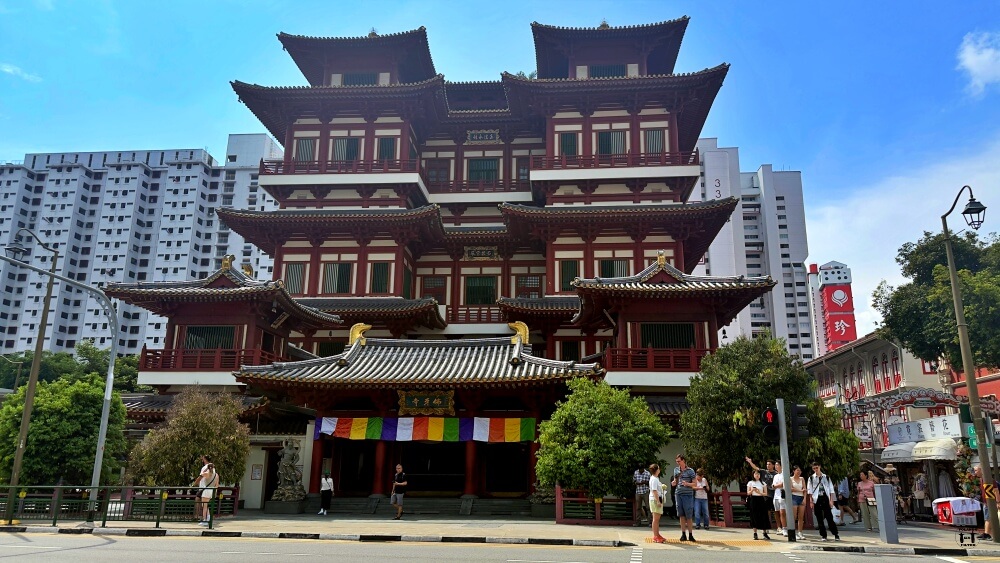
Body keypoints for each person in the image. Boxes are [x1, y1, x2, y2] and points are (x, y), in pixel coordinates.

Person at [807, 462, 840, 541]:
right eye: (814, 468)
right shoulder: (811, 478)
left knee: (829, 517)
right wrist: (811, 501)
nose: (815, 470)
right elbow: (810, 491)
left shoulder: (826, 477)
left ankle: (835, 534)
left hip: (825, 497)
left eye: (817, 468)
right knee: (819, 517)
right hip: (816, 498)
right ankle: (823, 535)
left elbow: (831, 489)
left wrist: (831, 500)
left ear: (820, 467)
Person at [746, 457, 778, 534]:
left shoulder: (776, 474)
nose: (768, 466)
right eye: (767, 464)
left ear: (773, 465)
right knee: (766, 512)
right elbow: (755, 468)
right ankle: (766, 527)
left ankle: (779, 527)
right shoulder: (764, 472)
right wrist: (750, 462)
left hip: (775, 494)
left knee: (776, 511)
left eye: (769, 464)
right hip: (764, 497)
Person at [672, 454, 697, 542]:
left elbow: (695, 484)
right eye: (677, 462)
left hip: (688, 494)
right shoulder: (676, 470)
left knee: (689, 515)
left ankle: (690, 534)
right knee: (681, 514)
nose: (678, 463)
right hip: (678, 493)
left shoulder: (690, 471)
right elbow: (676, 480)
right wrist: (674, 482)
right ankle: (683, 534)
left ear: (683, 460)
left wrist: (687, 484)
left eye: (679, 461)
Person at [747, 469, 771, 540]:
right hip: (753, 499)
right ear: (753, 475)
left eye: (758, 474)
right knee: (754, 515)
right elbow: (748, 493)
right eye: (756, 474)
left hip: (761, 499)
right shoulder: (750, 483)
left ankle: (764, 532)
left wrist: (759, 492)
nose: (757, 475)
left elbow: (766, 493)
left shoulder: (763, 483)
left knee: (763, 515)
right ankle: (755, 533)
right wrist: (752, 490)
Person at [648, 464, 666, 543]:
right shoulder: (654, 479)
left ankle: (657, 534)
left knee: (657, 519)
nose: (659, 469)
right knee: (655, 519)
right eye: (658, 468)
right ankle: (655, 536)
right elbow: (654, 490)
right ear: (656, 470)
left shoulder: (655, 478)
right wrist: (658, 501)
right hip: (655, 500)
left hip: (656, 499)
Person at [192, 454, 211, 522]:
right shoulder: (212, 468)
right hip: (208, 488)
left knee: (200, 502)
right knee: (204, 503)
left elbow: (200, 477)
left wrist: (194, 484)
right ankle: (206, 517)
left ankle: (202, 518)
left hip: (203, 488)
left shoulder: (205, 468)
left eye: (203, 459)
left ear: (205, 459)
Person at [790, 465, 807, 538]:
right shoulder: (790, 479)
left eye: (800, 471)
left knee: (801, 517)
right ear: (794, 471)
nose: (799, 472)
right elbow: (791, 489)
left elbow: (805, 490)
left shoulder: (802, 479)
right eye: (797, 470)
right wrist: (800, 490)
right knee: (794, 516)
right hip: (793, 497)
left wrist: (805, 498)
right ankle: (793, 531)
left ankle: (800, 532)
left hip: (801, 497)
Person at [633, 463, 651, 527]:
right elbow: (634, 481)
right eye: (639, 470)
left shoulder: (647, 473)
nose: (640, 471)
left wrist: (645, 482)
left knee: (648, 507)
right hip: (638, 491)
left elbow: (650, 483)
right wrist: (636, 483)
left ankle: (650, 522)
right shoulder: (636, 472)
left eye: (641, 469)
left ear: (643, 468)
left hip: (645, 491)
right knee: (638, 508)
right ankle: (638, 522)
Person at [772, 460, 787, 536]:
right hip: (776, 496)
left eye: (777, 465)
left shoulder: (785, 474)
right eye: (775, 465)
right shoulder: (775, 476)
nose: (776, 466)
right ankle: (779, 527)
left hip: (782, 495)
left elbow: (782, 484)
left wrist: (776, 486)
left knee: (782, 512)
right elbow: (773, 486)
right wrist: (776, 486)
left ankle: (785, 528)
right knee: (777, 512)